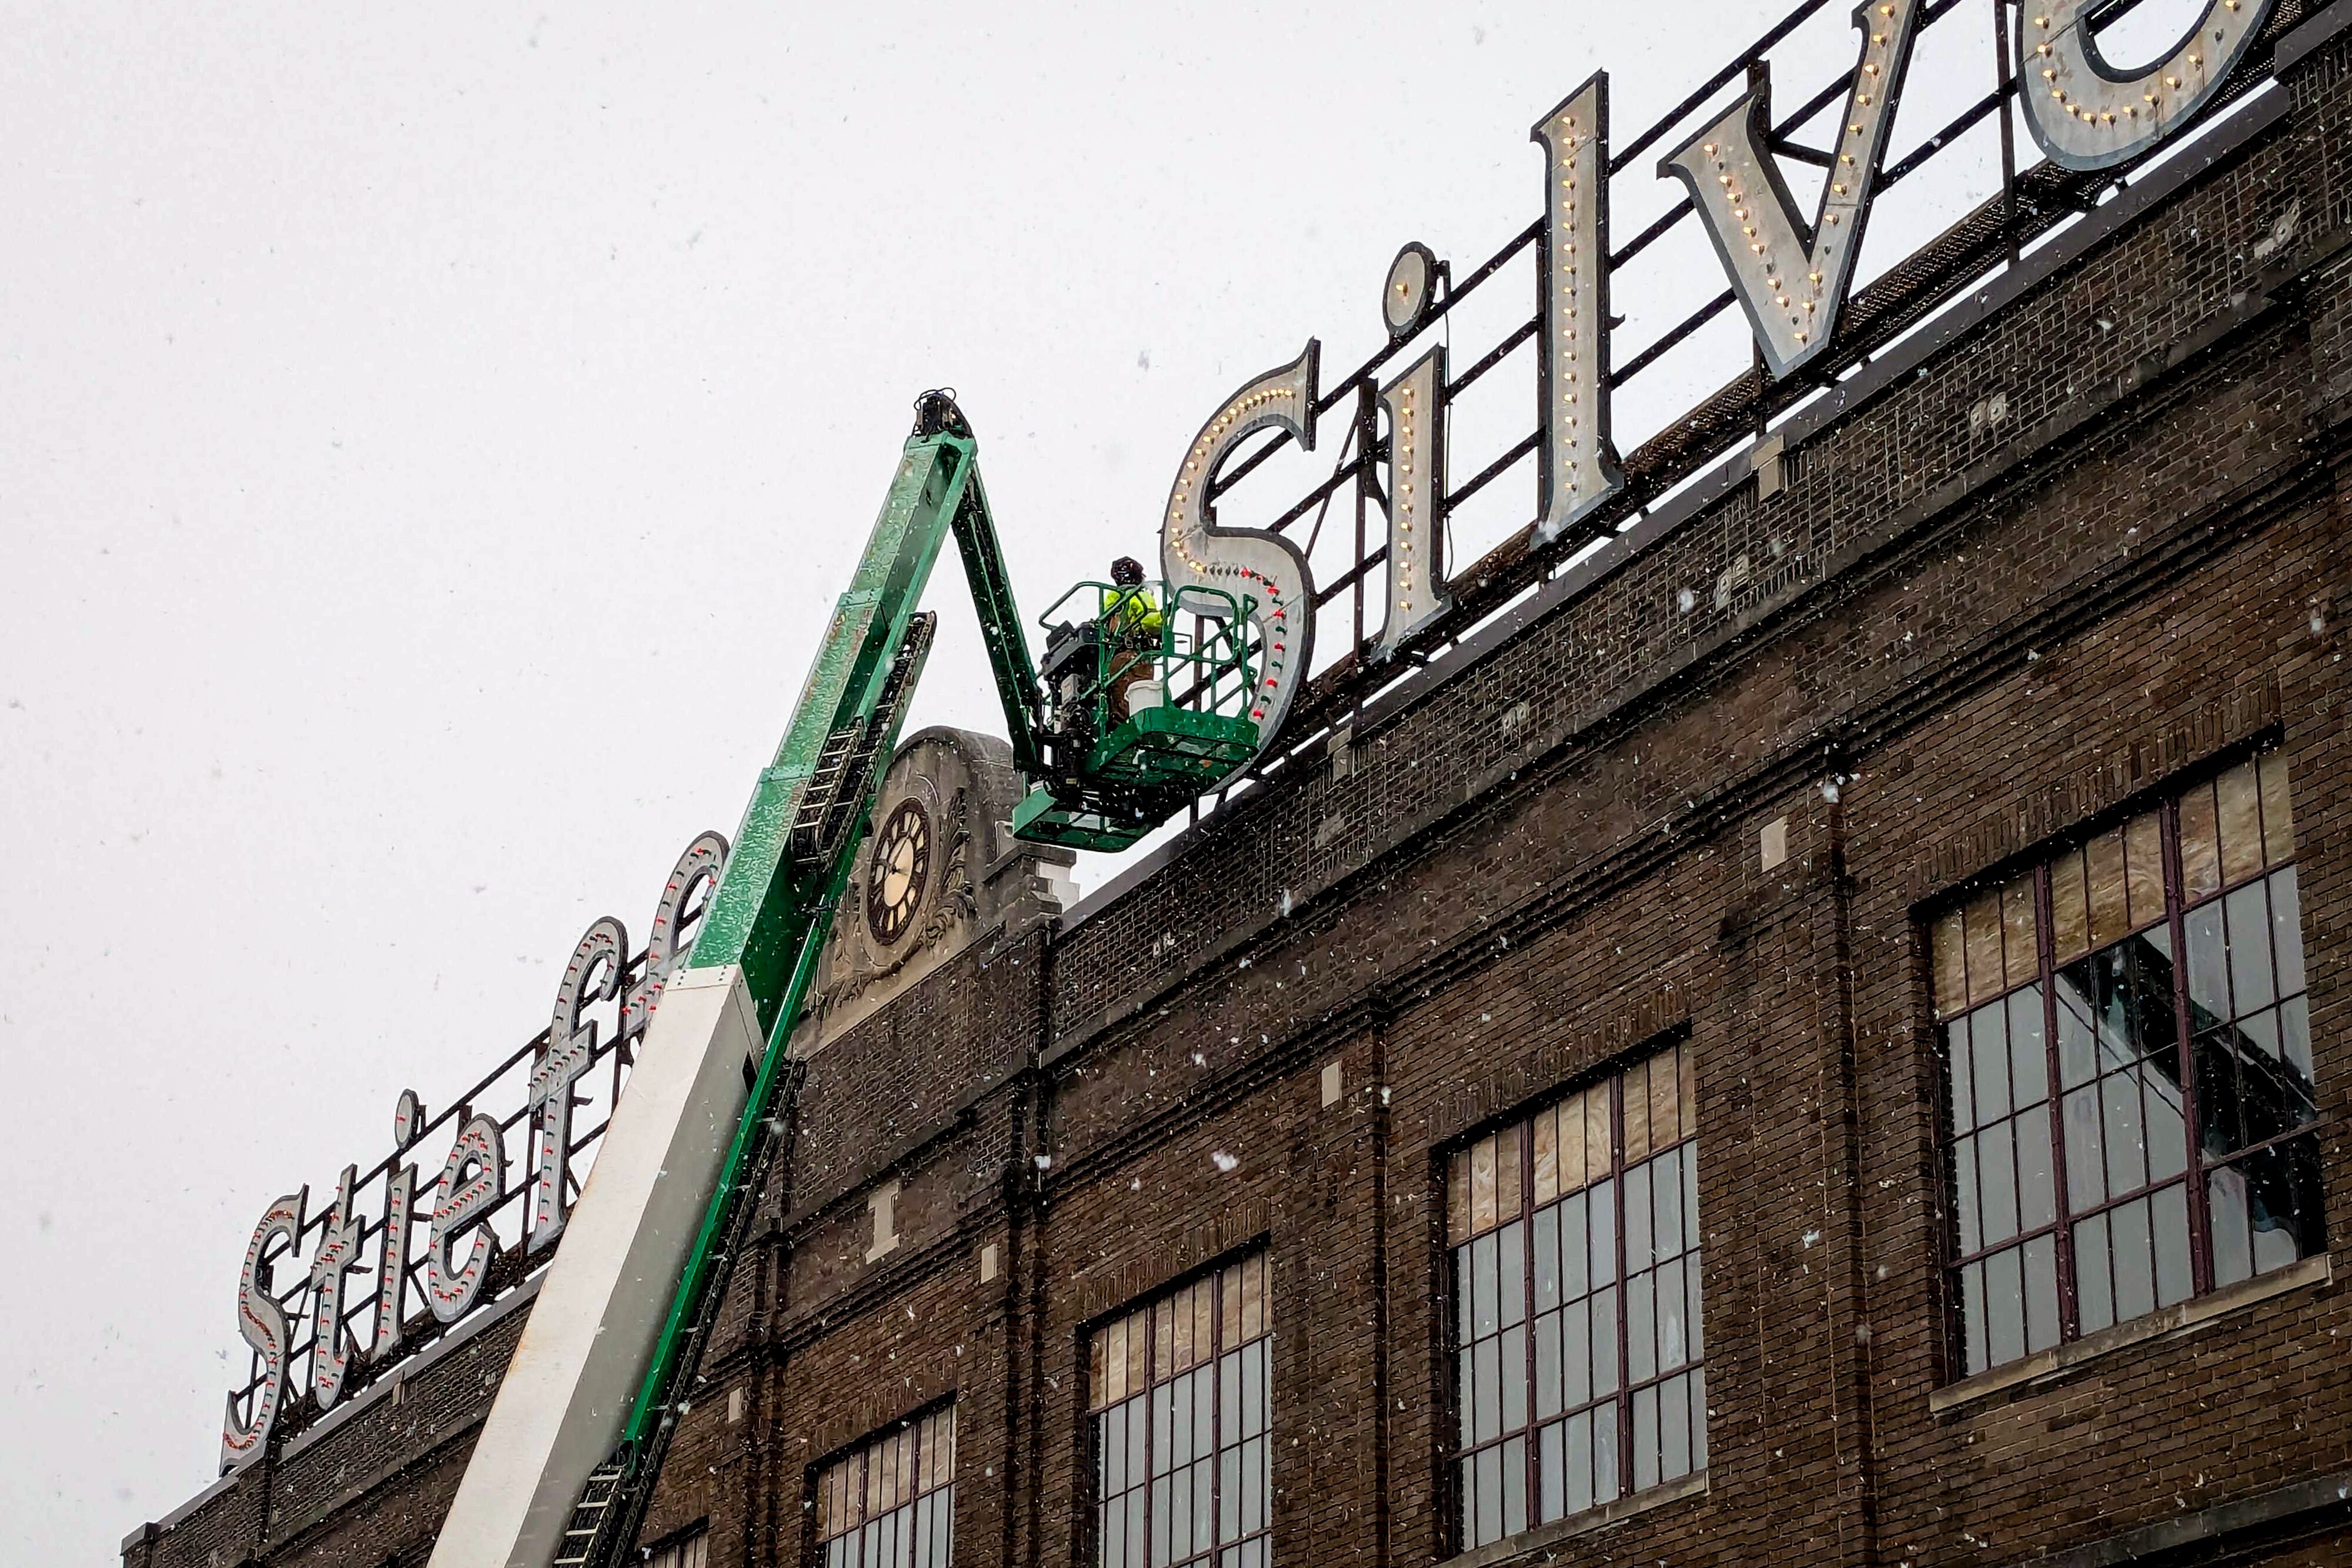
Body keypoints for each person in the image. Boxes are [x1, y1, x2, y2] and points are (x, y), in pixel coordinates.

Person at [1098, 557, 1163, 726]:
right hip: (1134, 658)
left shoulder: (1112, 598)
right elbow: (1151, 623)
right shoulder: (1139, 595)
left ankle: (1117, 728)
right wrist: (1164, 622)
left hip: (1114, 659)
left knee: (1118, 700)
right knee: (1137, 700)